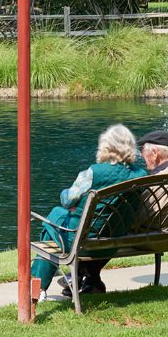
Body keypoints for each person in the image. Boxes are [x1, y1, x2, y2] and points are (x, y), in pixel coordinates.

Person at [68, 129, 168, 297]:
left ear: (154, 153)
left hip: (156, 239)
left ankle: (80, 276)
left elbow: (135, 217)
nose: (142, 157)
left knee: (114, 226)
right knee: (115, 226)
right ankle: (89, 280)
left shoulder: (158, 181)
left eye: (143, 152)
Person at [31, 123, 142, 303]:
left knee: (54, 220)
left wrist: (64, 193)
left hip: (83, 238)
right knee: (60, 221)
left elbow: (68, 200)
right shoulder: (140, 174)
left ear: (107, 146)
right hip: (112, 240)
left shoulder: (94, 172)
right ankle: (92, 282)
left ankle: (38, 287)